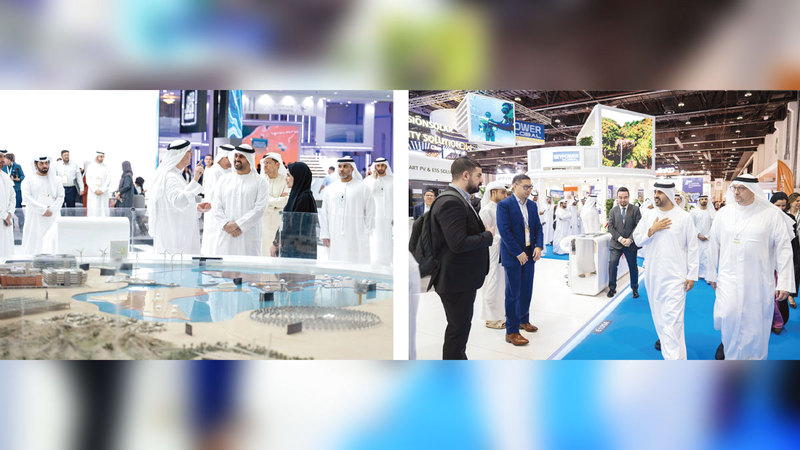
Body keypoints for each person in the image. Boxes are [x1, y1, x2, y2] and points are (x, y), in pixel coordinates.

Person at [706, 175, 794, 360]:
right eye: (734, 188)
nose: (736, 192)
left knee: (755, 325)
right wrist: (711, 273)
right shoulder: (724, 214)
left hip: (758, 280)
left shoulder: (771, 215)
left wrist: (785, 282)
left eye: (741, 188)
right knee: (727, 316)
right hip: (728, 278)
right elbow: (713, 244)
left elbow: (784, 249)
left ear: (753, 190)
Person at [429, 156, 493, 359]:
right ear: (466, 175)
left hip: (459, 278)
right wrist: (487, 236)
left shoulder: (457, 199)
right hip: (456, 280)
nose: (481, 180)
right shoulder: (451, 202)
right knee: (458, 330)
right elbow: (458, 243)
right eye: (478, 175)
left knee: (460, 328)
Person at [631, 181, 698, 359]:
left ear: (668, 194)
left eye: (660, 192)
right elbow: (637, 240)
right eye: (655, 192)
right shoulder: (649, 215)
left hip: (676, 277)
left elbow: (692, 247)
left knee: (673, 320)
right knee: (660, 318)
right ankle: (679, 358)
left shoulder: (684, 217)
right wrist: (651, 230)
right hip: (653, 275)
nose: (656, 196)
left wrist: (692, 274)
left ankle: (672, 361)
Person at [497, 174, 544, 346]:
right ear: (514, 186)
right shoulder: (504, 205)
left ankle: (524, 320)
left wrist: (538, 246)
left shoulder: (532, 205)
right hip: (513, 255)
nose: (528, 190)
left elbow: (537, 227)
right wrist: (518, 252)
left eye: (530, 187)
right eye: (525, 187)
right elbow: (504, 231)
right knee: (513, 294)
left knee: (526, 290)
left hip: (530, 253)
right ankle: (511, 331)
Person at [147, 139, 208, 255]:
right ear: (181, 154)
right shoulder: (170, 177)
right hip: (174, 239)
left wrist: (196, 207)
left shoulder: (176, 175)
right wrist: (195, 179)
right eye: (189, 152)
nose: (191, 154)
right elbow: (178, 202)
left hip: (179, 235)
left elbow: (180, 200)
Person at [212, 144, 268, 256]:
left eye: (241, 156)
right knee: (225, 264)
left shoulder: (260, 182)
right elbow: (216, 204)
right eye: (236, 156)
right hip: (226, 233)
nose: (237, 159)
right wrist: (225, 225)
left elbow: (260, 208)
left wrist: (239, 225)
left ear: (249, 159)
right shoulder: (224, 179)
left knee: (248, 265)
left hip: (248, 234)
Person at [319, 156, 374, 264]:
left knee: (355, 263)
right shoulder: (330, 189)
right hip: (334, 235)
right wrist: (324, 234)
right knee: (336, 264)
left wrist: (367, 233)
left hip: (356, 235)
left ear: (352, 168)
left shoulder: (363, 188)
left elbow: (370, 213)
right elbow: (324, 213)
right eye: (339, 166)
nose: (341, 169)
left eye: (345, 166)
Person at [270, 161, 318, 259]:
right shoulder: (295, 195)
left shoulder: (304, 198)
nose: (285, 178)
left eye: (288, 175)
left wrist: (277, 243)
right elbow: (285, 221)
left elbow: (295, 225)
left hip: (299, 250)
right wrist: (277, 242)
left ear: (298, 177)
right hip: (290, 247)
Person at [478, 180, 507, 330]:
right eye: (503, 192)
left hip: (503, 251)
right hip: (492, 251)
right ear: (493, 192)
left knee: (501, 283)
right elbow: (483, 233)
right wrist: (500, 238)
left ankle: (499, 314)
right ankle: (490, 318)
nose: (505, 195)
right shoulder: (487, 210)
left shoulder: (501, 208)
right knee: (493, 283)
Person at [21, 156, 65, 254]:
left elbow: (61, 196)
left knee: (52, 242)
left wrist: (52, 209)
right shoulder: (28, 180)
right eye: (41, 163)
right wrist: (43, 209)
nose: (44, 166)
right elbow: (27, 198)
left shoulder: (56, 180)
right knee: (35, 242)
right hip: (35, 218)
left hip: (52, 216)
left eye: (46, 163)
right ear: (35, 165)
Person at [769, 192, 798, 333]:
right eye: (777, 205)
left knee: (779, 293)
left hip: (782, 262)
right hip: (766, 261)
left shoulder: (790, 219)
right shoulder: (765, 219)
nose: (780, 209)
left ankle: (778, 321)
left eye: (783, 206)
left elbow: (792, 243)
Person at [607, 187, 642, 298]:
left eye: (625, 197)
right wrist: (620, 239)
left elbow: (639, 226)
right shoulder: (613, 211)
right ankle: (612, 288)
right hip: (616, 244)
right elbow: (610, 227)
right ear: (617, 198)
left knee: (633, 267)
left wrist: (630, 239)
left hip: (630, 245)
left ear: (629, 197)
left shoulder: (635, 209)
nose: (623, 200)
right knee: (612, 265)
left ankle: (635, 289)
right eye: (620, 197)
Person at [200, 144, 233, 255]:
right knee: (213, 240)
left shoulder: (229, 171)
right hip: (214, 212)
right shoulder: (215, 171)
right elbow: (215, 195)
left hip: (226, 214)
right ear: (225, 157)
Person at [365, 157, 393, 266]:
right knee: (374, 240)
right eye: (378, 166)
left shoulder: (393, 180)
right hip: (374, 216)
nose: (380, 168)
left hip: (388, 216)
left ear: (386, 166)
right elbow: (367, 194)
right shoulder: (368, 180)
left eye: (382, 165)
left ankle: (387, 262)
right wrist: (375, 179)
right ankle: (374, 263)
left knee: (387, 240)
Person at [260, 153, 289, 256]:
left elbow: (285, 202)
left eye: (268, 163)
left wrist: (267, 200)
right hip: (263, 222)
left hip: (278, 221)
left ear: (277, 164)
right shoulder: (261, 181)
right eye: (264, 163)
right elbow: (259, 201)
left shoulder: (285, 181)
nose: (265, 165)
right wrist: (276, 200)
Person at [690, 195, 715, 280]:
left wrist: (707, 236)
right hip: (697, 238)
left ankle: (708, 275)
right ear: (699, 201)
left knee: (708, 256)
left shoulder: (711, 212)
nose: (704, 201)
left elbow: (714, 226)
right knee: (698, 256)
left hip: (708, 239)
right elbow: (691, 224)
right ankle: (699, 273)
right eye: (702, 199)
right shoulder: (694, 212)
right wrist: (698, 234)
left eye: (705, 199)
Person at [85, 151, 111, 217]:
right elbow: (88, 180)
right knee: (93, 209)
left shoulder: (105, 167)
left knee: (103, 210)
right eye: (101, 157)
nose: (102, 158)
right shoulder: (90, 167)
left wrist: (102, 190)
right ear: (96, 157)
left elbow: (108, 180)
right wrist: (95, 190)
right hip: (93, 193)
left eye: (103, 157)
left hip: (103, 193)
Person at [0, 151, 16, 256]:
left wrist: (10, 213)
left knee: (6, 250)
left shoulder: (5, 176)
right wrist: (4, 215)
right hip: (4, 217)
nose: (2, 160)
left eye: (3, 157)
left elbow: (12, 196)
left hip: (6, 219)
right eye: (0, 157)